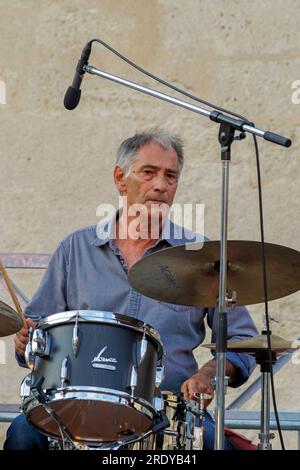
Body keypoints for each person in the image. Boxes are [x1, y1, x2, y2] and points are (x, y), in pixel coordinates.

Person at [5, 129, 258, 450]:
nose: (160, 185)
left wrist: (208, 373)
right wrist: (24, 340)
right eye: (148, 172)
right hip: (76, 407)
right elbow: (35, 341)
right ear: (120, 178)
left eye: (171, 176)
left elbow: (243, 343)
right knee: (23, 436)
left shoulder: (202, 256)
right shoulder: (75, 248)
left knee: (208, 442)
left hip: (169, 409)